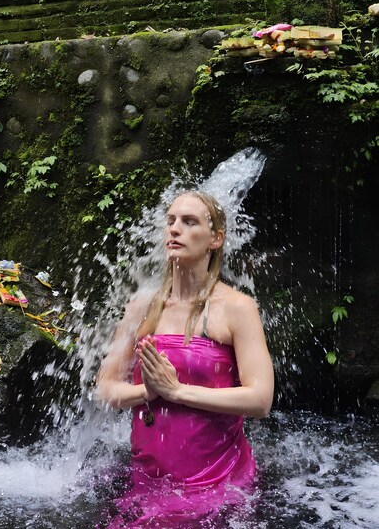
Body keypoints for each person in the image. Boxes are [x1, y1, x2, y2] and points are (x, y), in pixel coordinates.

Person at [96, 191, 274, 527]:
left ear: (215, 239)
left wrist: (176, 391)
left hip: (219, 489)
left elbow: (260, 399)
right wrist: (146, 393)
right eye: (171, 221)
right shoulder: (143, 306)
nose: (175, 229)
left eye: (189, 222)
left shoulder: (237, 307)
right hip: (148, 486)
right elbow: (105, 389)